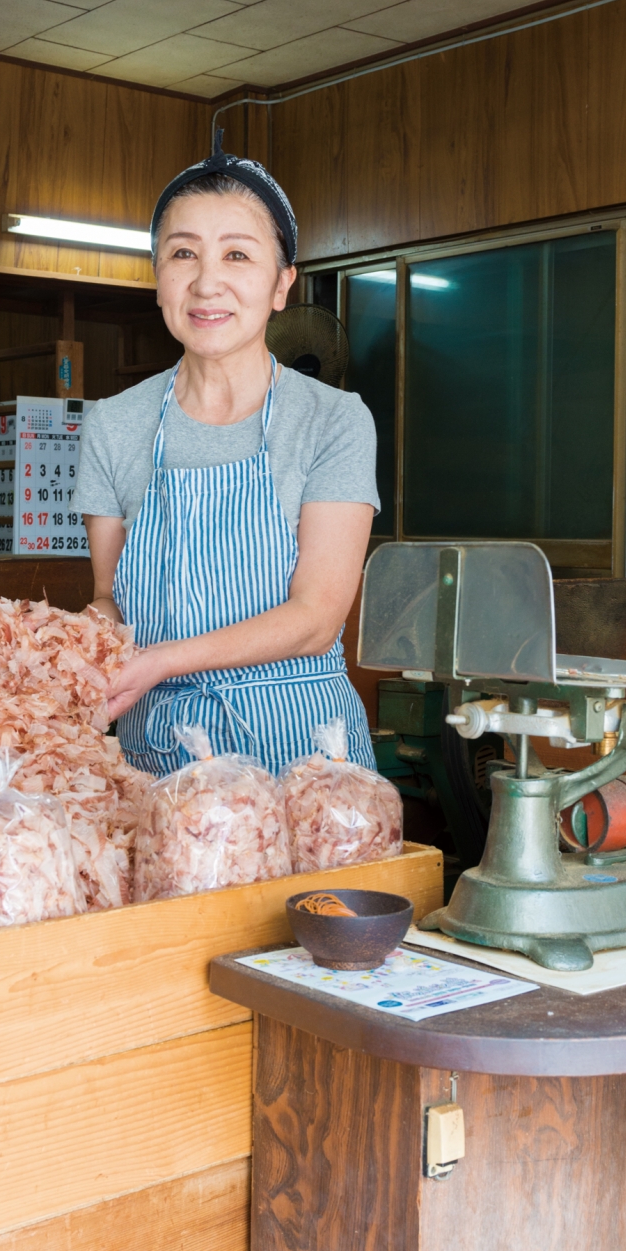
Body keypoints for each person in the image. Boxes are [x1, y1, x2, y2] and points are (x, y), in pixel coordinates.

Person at [74, 136, 380, 776]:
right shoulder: (113, 424)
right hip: (158, 752)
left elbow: (316, 619)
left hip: (304, 756)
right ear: (157, 276)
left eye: (237, 254)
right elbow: (109, 601)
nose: (206, 282)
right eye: (182, 253)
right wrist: (62, 653)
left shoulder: (333, 420)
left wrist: (159, 661)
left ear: (281, 285)